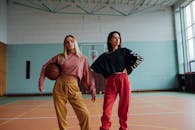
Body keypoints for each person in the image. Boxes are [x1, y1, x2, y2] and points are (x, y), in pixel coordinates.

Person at [38, 34, 96, 130]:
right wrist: (41, 81)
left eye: (71, 41)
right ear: (65, 45)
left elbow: (88, 75)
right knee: (61, 117)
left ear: (75, 42)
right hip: (59, 86)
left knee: (84, 113)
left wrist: (92, 89)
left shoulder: (82, 58)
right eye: (67, 42)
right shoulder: (60, 57)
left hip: (73, 86)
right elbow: (45, 66)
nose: (69, 43)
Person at [91, 31, 143, 130]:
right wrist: (107, 73)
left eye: (119, 38)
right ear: (110, 40)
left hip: (123, 79)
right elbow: (94, 66)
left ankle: (123, 127)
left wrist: (129, 69)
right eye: (115, 38)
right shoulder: (105, 55)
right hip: (111, 81)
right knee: (107, 107)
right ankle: (105, 127)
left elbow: (139, 58)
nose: (117, 39)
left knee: (124, 106)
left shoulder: (124, 51)